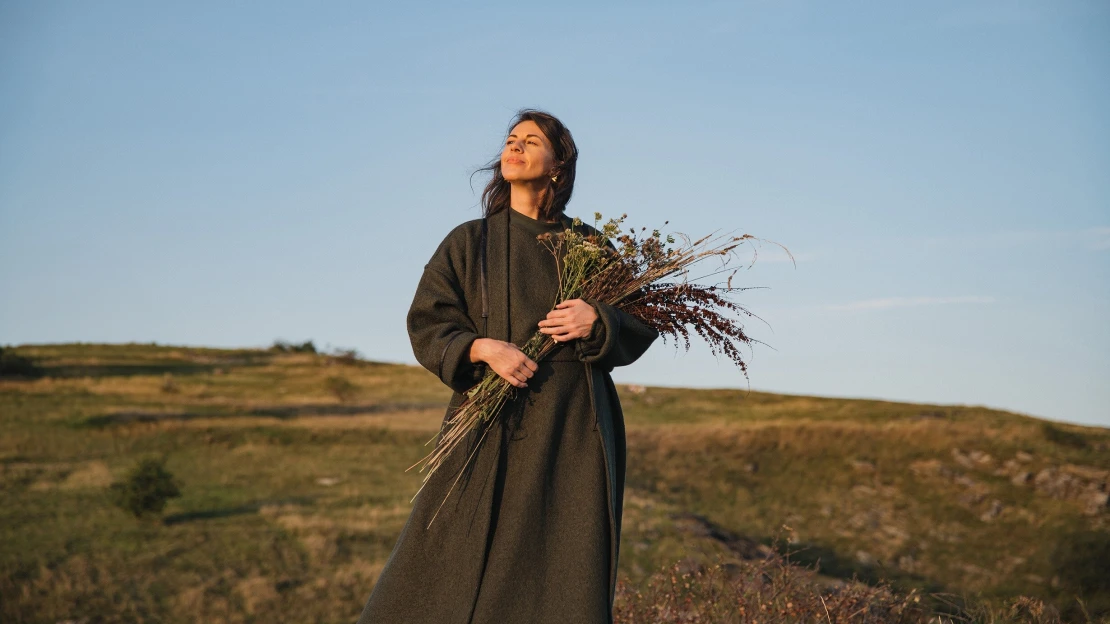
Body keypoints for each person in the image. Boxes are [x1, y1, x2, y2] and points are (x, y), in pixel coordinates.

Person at [356, 109, 658, 624]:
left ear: (558, 164)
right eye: (511, 140)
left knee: (563, 562)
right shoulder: (469, 241)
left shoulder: (590, 246)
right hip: (488, 420)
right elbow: (428, 322)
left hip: (574, 427)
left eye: (531, 141)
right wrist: (481, 349)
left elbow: (641, 324)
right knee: (447, 550)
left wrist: (598, 319)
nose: (514, 148)